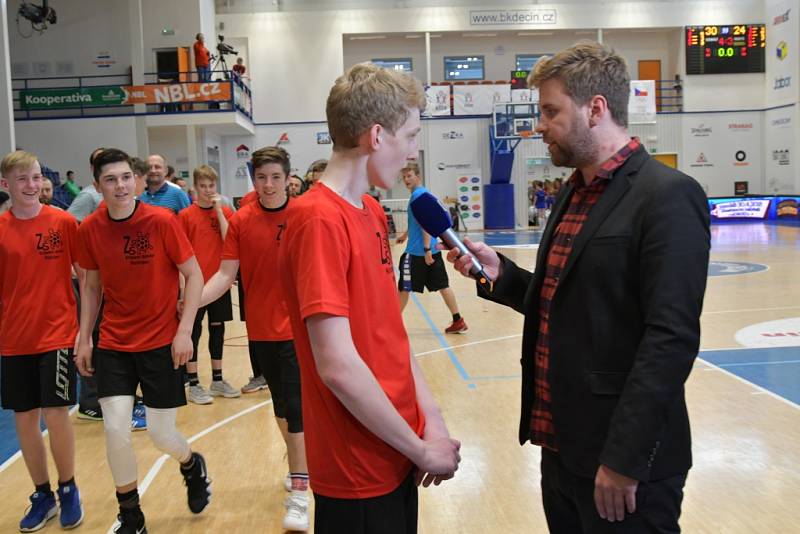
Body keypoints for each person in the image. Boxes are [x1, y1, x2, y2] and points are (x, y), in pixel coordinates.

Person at [444, 41, 710, 533]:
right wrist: (501, 275)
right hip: (561, 448)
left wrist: (624, 460)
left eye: (550, 111)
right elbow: (565, 303)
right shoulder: (572, 191)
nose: (539, 125)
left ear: (596, 109)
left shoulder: (668, 196)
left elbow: (670, 340)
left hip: (624, 464)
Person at [280, 62, 460, 534]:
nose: (413, 151)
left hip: (398, 446)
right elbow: (337, 366)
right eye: (412, 136)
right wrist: (421, 448)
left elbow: (389, 335)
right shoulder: (317, 220)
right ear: (377, 136)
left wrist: (432, 422)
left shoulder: (373, 212)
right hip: (357, 467)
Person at [75, 148, 211, 533]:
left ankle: (191, 463)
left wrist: (184, 331)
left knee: (161, 434)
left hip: (161, 342)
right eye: (110, 179)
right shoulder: (90, 229)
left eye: (125, 177)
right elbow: (91, 288)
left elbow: (195, 276)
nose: (120, 186)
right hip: (114, 343)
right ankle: (131, 516)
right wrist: (84, 337)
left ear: (135, 180)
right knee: (116, 430)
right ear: (97, 185)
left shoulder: (162, 221)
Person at [199, 146, 309, 530]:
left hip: (299, 331)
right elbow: (225, 275)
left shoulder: (305, 215)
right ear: (254, 179)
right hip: (261, 331)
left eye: (276, 177)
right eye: (261, 177)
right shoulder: (243, 220)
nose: (268, 185)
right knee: (281, 410)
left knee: (296, 413)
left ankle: (300, 491)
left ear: (287, 178)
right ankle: (302, 468)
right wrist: (189, 302)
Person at [0, 150, 85, 531]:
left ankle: (68, 489)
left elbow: (87, 277)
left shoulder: (64, 223)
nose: (32, 186)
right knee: (24, 419)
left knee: (56, 413)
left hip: (57, 334)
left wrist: (85, 330)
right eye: (22, 180)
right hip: (14, 339)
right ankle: (42, 494)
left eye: (35, 177)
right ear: (6, 185)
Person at [179, 165, 238, 404]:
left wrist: (219, 212)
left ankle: (217, 379)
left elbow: (230, 240)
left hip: (219, 282)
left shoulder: (223, 211)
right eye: (202, 186)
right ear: (194, 188)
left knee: (218, 329)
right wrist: (183, 289)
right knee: (194, 331)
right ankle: (193, 382)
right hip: (195, 284)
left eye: (211, 186)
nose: (206, 190)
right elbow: (180, 255)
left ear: (217, 187)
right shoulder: (185, 216)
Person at [395, 162, 468, 334]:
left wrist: (426, 250)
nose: (406, 179)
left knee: (404, 288)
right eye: (404, 176)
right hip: (432, 251)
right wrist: (405, 235)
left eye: (409, 175)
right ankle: (458, 320)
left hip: (418, 253)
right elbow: (419, 221)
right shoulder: (424, 194)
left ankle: (394, 325)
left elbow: (426, 224)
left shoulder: (418, 197)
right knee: (443, 285)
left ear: (418, 176)